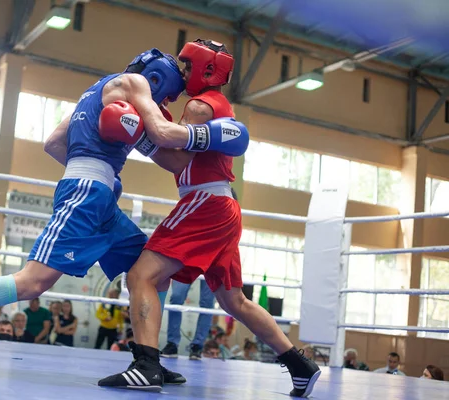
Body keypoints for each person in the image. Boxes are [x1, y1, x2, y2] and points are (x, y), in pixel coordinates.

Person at [0, 46, 245, 385]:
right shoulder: (135, 85)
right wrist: (210, 134)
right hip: (86, 193)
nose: (165, 104)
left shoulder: (96, 96)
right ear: (155, 79)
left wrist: (102, 169)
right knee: (33, 282)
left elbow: (53, 143)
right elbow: (162, 132)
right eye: (167, 97)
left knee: (153, 273)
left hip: (100, 196)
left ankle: (147, 360)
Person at [98, 39, 319, 397]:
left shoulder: (201, 107)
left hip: (204, 202)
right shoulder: (216, 105)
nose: (183, 73)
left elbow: (176, 155)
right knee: (234, 301)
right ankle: (299, 365)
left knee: (141, 274)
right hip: (224, 207)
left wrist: (138, 125)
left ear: (208, 70)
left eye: (188, 66)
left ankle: (147, 366)